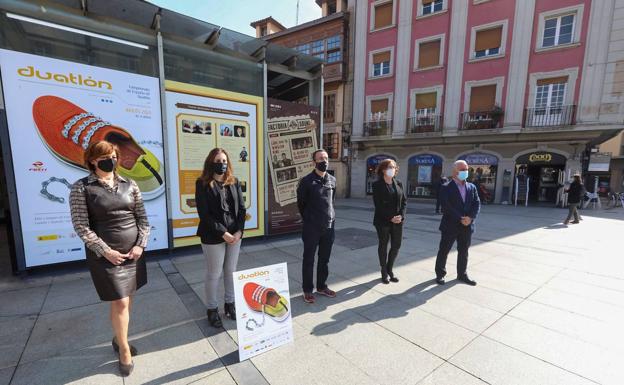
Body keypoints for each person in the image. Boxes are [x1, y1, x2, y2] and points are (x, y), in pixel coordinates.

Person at [69, 140, 150, 377]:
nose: (112, 160)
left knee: (128, 297)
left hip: (133, 253)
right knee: (121, 301)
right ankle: (124, 348)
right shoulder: (81, 188)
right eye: (106, 156)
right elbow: (81, 226)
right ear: (93, 160)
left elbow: (142, 219)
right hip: (106, 255)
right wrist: (106, 251)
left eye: (114, 156)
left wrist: (140, 245)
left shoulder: (130, 184)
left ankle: (118, 337)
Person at [195, 148, 246, 328]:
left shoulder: (234, 182)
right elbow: (204, 214)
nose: (222, 164)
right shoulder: (202, 184)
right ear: (211, 162)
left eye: (224, 160)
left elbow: (242, 209)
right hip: (213, 235)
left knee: (231, 271)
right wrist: (223, 233)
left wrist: (239, 231)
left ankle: (230, 304)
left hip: (235, 236)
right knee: (214, 273)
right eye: (218, 160)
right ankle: (212, 308)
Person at [296, 149, 337, 303]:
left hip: (329, 227)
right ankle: (307, 290)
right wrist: (310, 219)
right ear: (313, 162)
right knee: (309, 259)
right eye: (320, 158)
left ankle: (321, 286)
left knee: (324, 259)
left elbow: (332, 202)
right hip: (312, 228)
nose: (324, 161)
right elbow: (301, 204)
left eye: (326, 158)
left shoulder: (332, 180)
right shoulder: (306, 181)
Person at [434, 160, 480, 286]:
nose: (465, 172)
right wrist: (461, 218)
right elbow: (446, 206)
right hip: (450, 225)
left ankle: (462, 274)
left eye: (466, 169)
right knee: (444, 250)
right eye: (462, 170)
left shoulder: (472, 187)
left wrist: (470, 218)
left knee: (464, 251)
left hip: (467, 225)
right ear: (454, 172)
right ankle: (440, 274)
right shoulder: (446, 187)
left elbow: (476, 203)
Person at [372, 159, 406, 284]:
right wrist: (390, 217)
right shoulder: (377, 185)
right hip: (383, 221)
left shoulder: (399, 183)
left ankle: (390, 269)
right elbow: (378, 205)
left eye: (394, 167)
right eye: (389, 167)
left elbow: (404, 202)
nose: (393, 169)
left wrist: (401, 216)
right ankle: (383, 271)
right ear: (383, 170)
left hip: (398, 221)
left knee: (396, 245)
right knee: (383, 245)